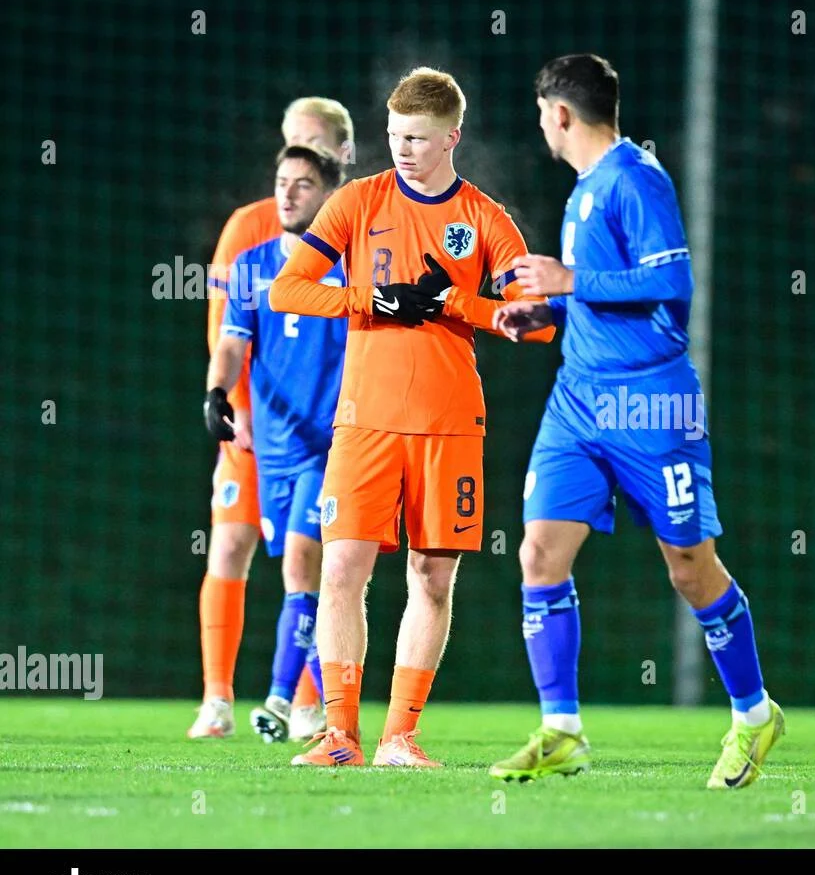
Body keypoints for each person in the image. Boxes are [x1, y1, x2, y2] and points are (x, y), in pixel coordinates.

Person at [490, 53, 783, 790]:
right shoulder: (586, 189)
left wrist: (569, 279)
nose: (540, 127)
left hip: (653, 404)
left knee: (689, 568)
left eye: (541, 114)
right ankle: (562, 730)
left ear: (560, 113)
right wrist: (547, 309)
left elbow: (672, 281)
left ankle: (754, 715)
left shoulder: (635, 176)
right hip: (578, 402)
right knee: (537, 555)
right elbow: (603, 294)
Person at [269, 67, 553, 767]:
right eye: (397, 136)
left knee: (431, 579)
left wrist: (460, 305)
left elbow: (538, 323)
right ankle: (340, 736)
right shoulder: (357, 202)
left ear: (452, 136)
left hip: (449, 422)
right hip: (363, 422)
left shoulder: (485, 218)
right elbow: (286, 289)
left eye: (419, 139)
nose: (404, 150)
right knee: (340, 569)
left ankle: (400, 736)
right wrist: (375, 299)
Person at [190, 97, 354, 741]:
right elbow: (227, 333)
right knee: (238, 547)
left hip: (325, 439)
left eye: (310, 158)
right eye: (287, 159)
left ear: (339, 159)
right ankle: (217, 700)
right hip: (259, 429)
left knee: (311, 562)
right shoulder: (251, 236)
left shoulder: (353, 242)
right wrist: (224, 397)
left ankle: (297, 702)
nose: (290, 185)